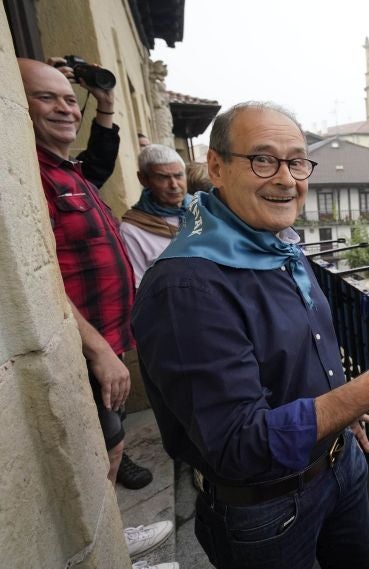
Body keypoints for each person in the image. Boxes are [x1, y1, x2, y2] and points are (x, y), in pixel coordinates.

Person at [131, 101, 369, 569]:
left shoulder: (279, 244)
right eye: (263, 159)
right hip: (267, 509)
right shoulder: (187, 287)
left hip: (342, 468)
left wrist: (345, 411)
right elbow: (239, 444)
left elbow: (303, 355)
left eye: (297, 161)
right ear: (216, 167)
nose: (286, 178)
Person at [18, 56, 173, 566]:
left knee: (106, 445)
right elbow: (39, 272)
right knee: (99, 452)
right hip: (83, 348)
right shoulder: (30, 178)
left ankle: (114, 539)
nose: (65, 107)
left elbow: (100, 160)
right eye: (46, 97)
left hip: (104, 340)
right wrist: (98, 348)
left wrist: (104, 102)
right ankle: (108, 552)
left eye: (69, 97)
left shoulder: (66, 171)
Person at [120, 144, 189, 286]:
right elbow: (139, 286)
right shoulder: (132, 230)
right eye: (163, 178)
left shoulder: (205, 209)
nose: (174, 185)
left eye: (179, 175)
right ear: (143, 179)